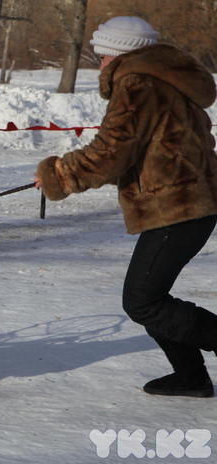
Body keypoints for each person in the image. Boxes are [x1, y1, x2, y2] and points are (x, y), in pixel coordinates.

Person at [34, 16, 217, 397]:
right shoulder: (163, 78)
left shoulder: (137, 82)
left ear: (118, 54)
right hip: (185, 202)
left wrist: (60, 174)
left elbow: (111, 151)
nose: (100, 65)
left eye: (102, 57)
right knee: (150, 297)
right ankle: (191, 377)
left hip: (179, 206)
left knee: (143, 300)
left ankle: (192, 374)